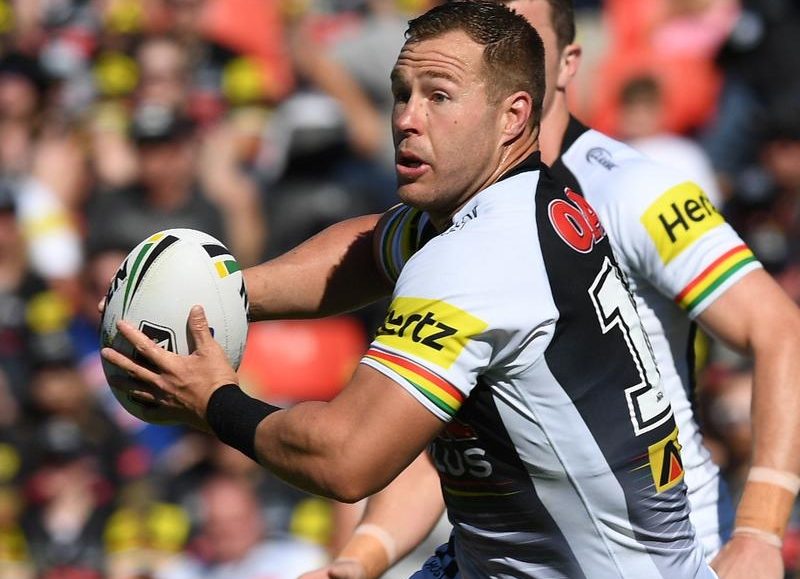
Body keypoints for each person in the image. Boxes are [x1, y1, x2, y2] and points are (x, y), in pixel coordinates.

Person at [102, 2, 714, 577]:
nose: (405, 118)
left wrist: (213, 403)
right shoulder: (516, 200)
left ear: (513, 116)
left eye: (438, 96)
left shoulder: (479, 259)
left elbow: (344, 459)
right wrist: (211, 297)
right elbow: (370, 248)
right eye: (401, 93)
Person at [256, 2, 800, 578]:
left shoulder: (633, 191)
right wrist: (360, 559)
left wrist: (759, 532)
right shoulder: (460, 210)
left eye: (522, 32)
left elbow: (781, 331)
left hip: (677, 546)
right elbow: (457, 430)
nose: (495, 40)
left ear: (566, 63)